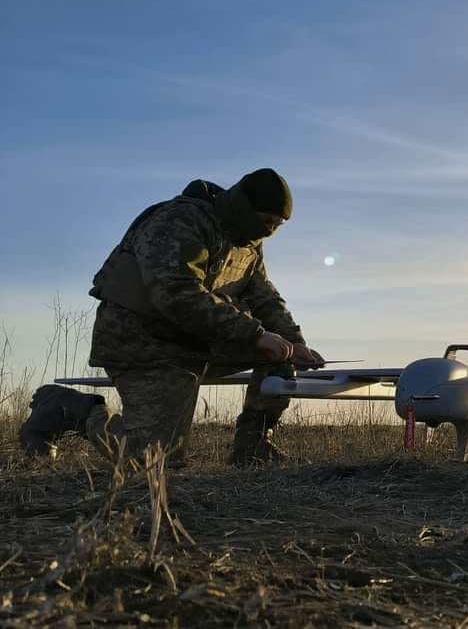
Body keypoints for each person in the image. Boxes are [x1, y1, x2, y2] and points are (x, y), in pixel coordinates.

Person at [19, 168, 324, 467]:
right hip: (143, 342)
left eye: (276, 225)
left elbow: (264, 298)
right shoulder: (178, 221)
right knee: (151, 461)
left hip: (198, 340)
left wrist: (294, 344)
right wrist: (255, 335)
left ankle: (253, 445)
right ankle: (69, 408)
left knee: (280, 354)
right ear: (245, 208)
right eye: (264, 222)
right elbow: (176, 294)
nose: (268, 231)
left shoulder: (247, 241)